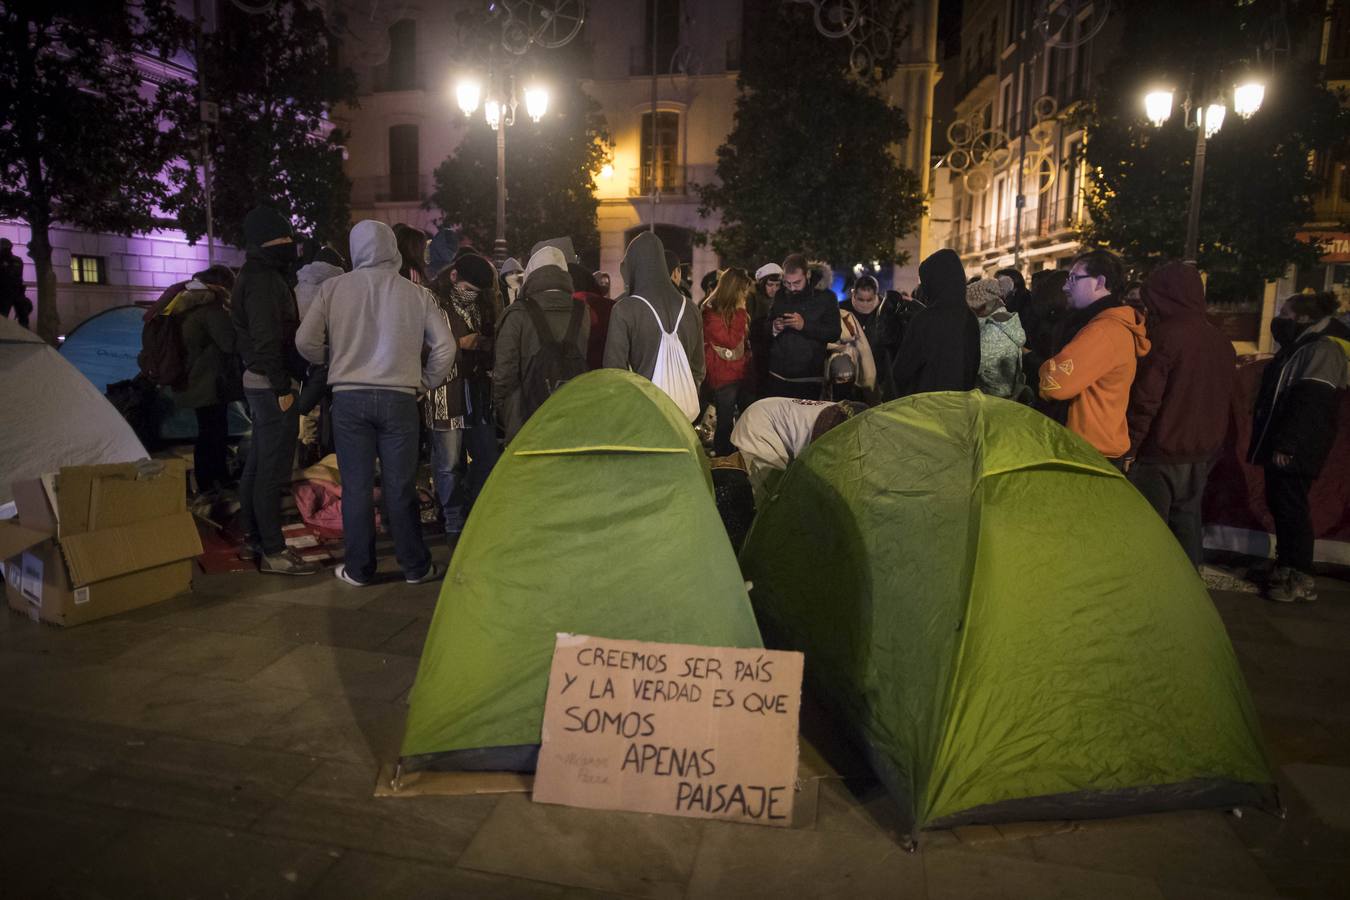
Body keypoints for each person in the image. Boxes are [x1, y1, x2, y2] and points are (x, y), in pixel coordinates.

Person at [296, 219, 454, 586]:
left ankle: (359, 568)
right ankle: (416, 566)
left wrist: (331, 359)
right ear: (392, 250)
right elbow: (445, 347)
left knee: (356, 488)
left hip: (350, 399)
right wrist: (426, 381)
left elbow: (305, 341)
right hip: (400, 399)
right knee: (400, 488)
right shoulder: (415, 293)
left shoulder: (333, 289)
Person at [1124, 262, 1236, 568]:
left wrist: (1130, 446)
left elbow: (1146, 400)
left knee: (1150, 531)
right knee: (1187, 527)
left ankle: (1152, 596)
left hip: (1160, 451)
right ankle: (1191, 594)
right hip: (1202, 451)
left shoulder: (1164, 337)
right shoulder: (1219, 340)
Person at [230, 206, 317, 575]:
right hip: (270, 384)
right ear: (266, 241)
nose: (290, 245)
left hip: (261, 381)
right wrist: (283, 386)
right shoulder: (264, 279)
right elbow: (268, 337)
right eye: (284, 239)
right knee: (270, 469)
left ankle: (254, 535)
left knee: (256, 465)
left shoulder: (257, 274)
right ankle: (273, 550)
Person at [1248, 292, 1350, 603]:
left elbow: (1311, 402)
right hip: (1288, 442)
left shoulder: (1321, 349)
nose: (1280, 320)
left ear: (1304, 318)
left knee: (1291, 507)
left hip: (1296, 446)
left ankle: (1296, 573)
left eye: (1285, 313)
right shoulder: (1305, 346)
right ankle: (1287, 566)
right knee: (1283, 504)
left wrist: (1288, 444)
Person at [1038, 249, 1150, 465]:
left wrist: (1044, 368)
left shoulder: (1103, 330)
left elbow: (1055, 385)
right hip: (1099, 443)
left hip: (1088, 450)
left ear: (1099, 282)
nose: (1065, 286)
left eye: (1073, 278)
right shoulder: (1108, 324)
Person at [422, 252, 500, 540]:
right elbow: (420, 347)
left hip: (477, 394)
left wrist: (485, 344)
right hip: (445, 394)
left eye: (477, 293)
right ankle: (453, 518)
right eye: (468, 290)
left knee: (487, 457)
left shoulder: (485, 306)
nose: (471, 296)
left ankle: (472, 504)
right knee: (448, 463)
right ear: (453, 277)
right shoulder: (431, 301)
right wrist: (459, 344)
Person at [494, 245, 588, 442]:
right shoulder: (582, 311)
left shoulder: (516, 314)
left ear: (531, 274)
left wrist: (505, 413)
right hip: (573, 418)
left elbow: (504, 375)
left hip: (525, 423)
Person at [162, 268, 238, 495]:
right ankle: (214, 481)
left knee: (208, 431)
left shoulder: (186, 308)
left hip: (194, 380)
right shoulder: (210, 310)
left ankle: (211, 479)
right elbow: (229, 343)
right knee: (214, 432)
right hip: (208, 382)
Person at [603, 231, 705, 396]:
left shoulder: (624, 310)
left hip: (642, 410)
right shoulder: (691, 309)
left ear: (631, 267)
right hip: (682, 413)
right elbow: (698, 368)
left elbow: (614, 370)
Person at [731, 397, 868, 502]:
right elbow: (816, 471)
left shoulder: (843, 414)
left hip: (767, 413)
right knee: (773, 493)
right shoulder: (830, 425)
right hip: (760, 425)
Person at [892, 249, 979, 398]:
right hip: (959, 406)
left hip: (925, 408)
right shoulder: (970, 317)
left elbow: (902, 371)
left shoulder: (925, 319)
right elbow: (972, 366)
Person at [765, 253, 841, 399]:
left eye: (797, 283)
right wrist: (774, 327)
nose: (792, 288)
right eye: (787, 283)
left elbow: (834, 332)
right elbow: (766, 325)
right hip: (777, 375)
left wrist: (804, 325)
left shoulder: (826, 297)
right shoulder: (781, 294)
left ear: (807, 275)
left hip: (808, 378)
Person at [702, 267, 756, 456]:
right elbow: (731, 340)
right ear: (735, 289)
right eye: (744, 290)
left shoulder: (731, 310)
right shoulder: (712, 312)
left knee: (745, 413)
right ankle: (723, 458)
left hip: (739, 370)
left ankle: (737, 452)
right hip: (723, 373)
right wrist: (741, 312)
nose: (746, 294)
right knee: (724, 420)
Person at [967, 277, 1028, 401]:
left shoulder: (993, 332)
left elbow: (971, 367)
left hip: (992, 401)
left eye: (974, 310)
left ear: (985, 306)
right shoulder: (1005, 322)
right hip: (1004, 399)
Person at [843, 275, 902, 399]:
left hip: (879, 373)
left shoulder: (886, 313)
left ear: (876, 296)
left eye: (869, 300)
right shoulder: (843, 310)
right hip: (849, 373)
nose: (864, 304)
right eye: (860, 299)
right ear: (853, 294)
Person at [0, 238, 32, 328]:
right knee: (2, 316)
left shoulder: (17, 261)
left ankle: (25, 334)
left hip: (17, 292)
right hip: (3, 293)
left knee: (23, 315)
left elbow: (19, 277)